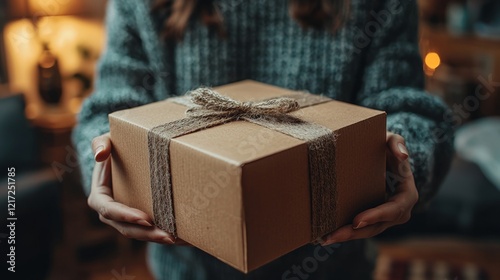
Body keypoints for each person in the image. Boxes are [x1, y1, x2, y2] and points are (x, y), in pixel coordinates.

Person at [73, 0, 454, 278]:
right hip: (186, 268)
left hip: (332, 263)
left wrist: (406, 162)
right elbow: (111, 110)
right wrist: (107, 167)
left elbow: (404, 108)